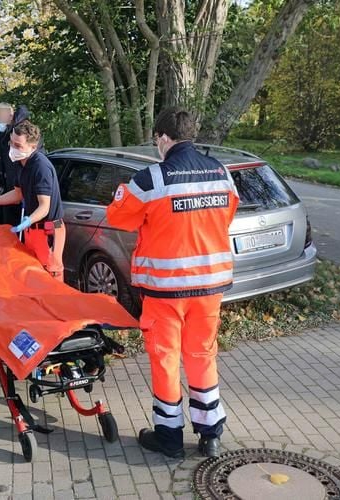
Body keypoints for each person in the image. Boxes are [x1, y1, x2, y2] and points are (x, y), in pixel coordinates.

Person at [105, 108, 239, 459]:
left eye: (156, 140)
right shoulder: (221, 172)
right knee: (202, 356)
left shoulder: (153, 178)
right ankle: (210, 434)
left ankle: (169, 436)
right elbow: (227, 213)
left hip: (165, 290)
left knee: (166, 359)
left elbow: (118, 216)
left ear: (164, 138)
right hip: (209, 289)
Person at [0, 120, 66, 280]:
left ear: (33, 146)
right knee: (32, 274)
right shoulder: (21, 164)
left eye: (18, 145)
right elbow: (18, 194)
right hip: (34, 230)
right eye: (11, 143)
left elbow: (44, 207)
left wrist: (28, 220)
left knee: (51, 277)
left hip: (48, 231)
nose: (12, 148)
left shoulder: (41, 167)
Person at [0, 102, 31, 226]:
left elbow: (29, 163)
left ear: (10, 116)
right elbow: (1, 165)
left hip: (22, 191)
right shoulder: (4, 136)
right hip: (10, 191)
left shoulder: (23, 132)